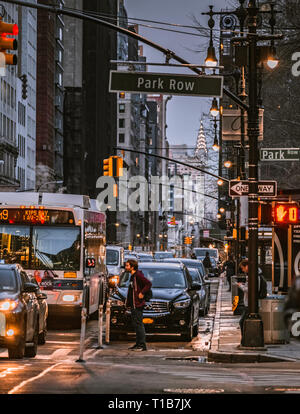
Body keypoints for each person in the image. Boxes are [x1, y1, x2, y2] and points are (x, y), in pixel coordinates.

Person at [235, 258, 267, 345]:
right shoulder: (253, 274)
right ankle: (245, 340)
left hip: (250, 303)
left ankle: (245, 340)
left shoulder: (254, 275)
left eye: (243, 268)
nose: (242, 270)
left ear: (247, 266)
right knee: (244, 321)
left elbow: (251, 289)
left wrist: (241, 286)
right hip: (250, 302)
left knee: (242, 322)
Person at [125, 259, 152, 351]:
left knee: (139, 324)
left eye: (127, 266)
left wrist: (142, 293)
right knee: (136, 325)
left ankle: (142, 345)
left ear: (132, 267)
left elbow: (148, 283)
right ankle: (137, 344)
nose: (126, 267)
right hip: (133, 304)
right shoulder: (133, 276)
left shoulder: (138, 275)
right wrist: (128, 303)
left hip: (138, 304)